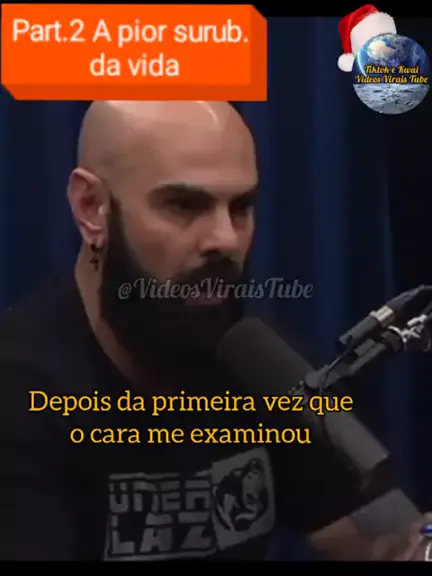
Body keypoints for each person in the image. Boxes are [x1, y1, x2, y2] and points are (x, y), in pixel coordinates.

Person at [0, 101, 428, 561]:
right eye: (184, 205)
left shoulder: (257, 364)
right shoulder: (18, 391)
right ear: (91, 208)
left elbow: (389, 538)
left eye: (241, 207)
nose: (225, 239)